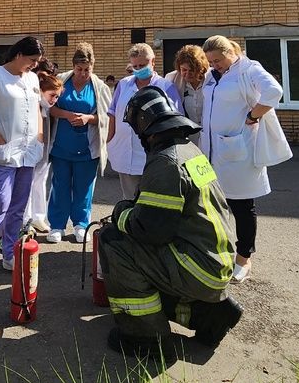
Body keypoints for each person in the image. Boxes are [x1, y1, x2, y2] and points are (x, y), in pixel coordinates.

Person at [100, 86, 242, 358]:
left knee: (114, 243)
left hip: (197, 266)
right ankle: (209, 316)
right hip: (215, 261)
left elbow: (149, 231)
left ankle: (144, 338)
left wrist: (120, 213)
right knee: (148, 260)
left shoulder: (166, 162)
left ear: (145, 126)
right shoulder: (189, 151)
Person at [200, 35, 284, 284]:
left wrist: (253, 115)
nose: (214, 65)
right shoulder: (213, 75)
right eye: (210, 61)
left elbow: (274, 91)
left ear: (230, 53)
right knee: (212, 204)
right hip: (212, 149)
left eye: (217, 59)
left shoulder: (248, 68)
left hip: (237, 149)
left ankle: (244, 258)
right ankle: (219, 251)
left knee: (242, 206)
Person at [0, 36, 44, 289]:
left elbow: (37, 109)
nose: (34, 66)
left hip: (27, 152)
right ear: (18, 55)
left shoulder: (32, 78)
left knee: (18, 207)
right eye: (32, 60)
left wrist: (40, 137)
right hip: (3, 153)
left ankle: (10, 255)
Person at [46, 42, 112, 245]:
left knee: (84, 188)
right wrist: (66, 114)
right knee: (60, 186)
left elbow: (107, 117)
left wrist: (87, 119)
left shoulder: (99, 87)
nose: (83, 73)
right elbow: (49, 108)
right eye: (79, 69)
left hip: (86, 149)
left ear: (92, 67)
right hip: (61, 147)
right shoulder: (61, 82)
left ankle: (81, 225)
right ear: (73, 66)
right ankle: (57, 225)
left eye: (87, 69)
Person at [106, 43, 182, 199]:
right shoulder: (123, 84)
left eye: (143, 65)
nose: (139, 69)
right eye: (135, 66)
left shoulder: (166, 86)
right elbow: (113, 113)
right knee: (128, 198)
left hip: (151, 154)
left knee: (150, 200)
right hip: (123, 150)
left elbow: (176, 119)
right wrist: (110, 139)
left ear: (153, 62)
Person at [25, 68, 63, 232]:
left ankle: (38, 217)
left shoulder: (46, 107)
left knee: (40, 183)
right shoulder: (33, 105)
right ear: (41, 91)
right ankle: (25, 219)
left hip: (44, 153)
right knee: (26, 185)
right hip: (30, 153)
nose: (54, 99)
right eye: (52, 95)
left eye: (57, 96)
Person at [164, 45, 209, 127]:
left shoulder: (211, 77)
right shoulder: (172, 79)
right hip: (187, 131)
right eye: (184, 70)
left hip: (209, 130)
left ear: (201, 68)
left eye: (192, 70)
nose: (187, 74)